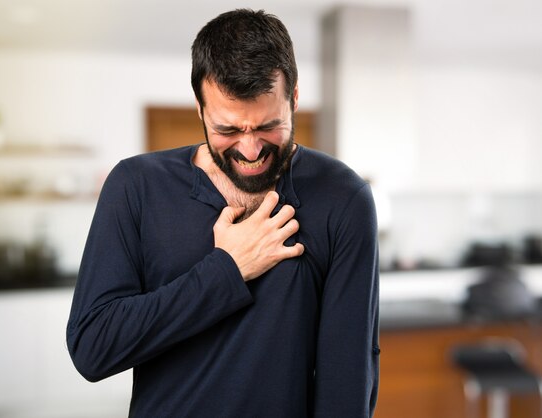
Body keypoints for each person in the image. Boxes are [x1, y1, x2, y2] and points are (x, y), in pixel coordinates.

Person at [67, 8, 379, 418]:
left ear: (294, 98)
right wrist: (226, 270)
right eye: (229, 130)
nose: (251, 150)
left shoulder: (343, 198)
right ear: (200, 109)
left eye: (269, 126)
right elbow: (94, 348)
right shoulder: (135, 187)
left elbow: (348, 381)